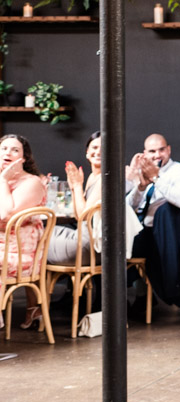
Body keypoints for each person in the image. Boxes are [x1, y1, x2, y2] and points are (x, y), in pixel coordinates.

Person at [125, 133, 180, 309]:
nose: (157, 155)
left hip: (167, 236)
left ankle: (144, 295)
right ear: (144, 153)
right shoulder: (141, 171)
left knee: (126, 247)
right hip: (141, 232)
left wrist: (156, 178)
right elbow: (129, 206)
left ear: (169, 149)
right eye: (152, 151)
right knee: (113, 247)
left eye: (161, 149)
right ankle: (139, 292)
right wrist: (139, 186)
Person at [0, 135, 48, 329]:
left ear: (24, 157)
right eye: (4, 149)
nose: (7, 153)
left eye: (14, 150)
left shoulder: (31, 183)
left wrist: (3, 181)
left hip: (20, 255)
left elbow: (6, 216)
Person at [47, 131, 103, 265]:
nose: (99, 151)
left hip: (90, 245)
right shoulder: (92, 177)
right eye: (95, 148)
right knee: (38, 233)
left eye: (104, 147)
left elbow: (85, 216)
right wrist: (73, 187)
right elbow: (79, 217)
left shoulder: (104, 179)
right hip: (84, 237)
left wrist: (78, 186)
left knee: (36, 236)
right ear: (87, 153)